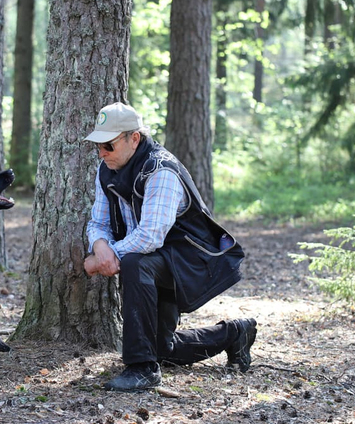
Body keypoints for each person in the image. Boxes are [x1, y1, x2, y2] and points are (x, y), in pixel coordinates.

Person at [83, 102, 258, 392]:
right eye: (98, 146)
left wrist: (103, 259)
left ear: (134, 138)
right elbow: (98, 221)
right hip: (156, 263)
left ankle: (142, 369)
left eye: (108, 145)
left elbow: (150, 236)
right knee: (162, 349)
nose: (102, 152)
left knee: (134, 262)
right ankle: (234, 334)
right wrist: (100, 245)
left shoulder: (160, 170)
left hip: (189, 264)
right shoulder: (107, 168)